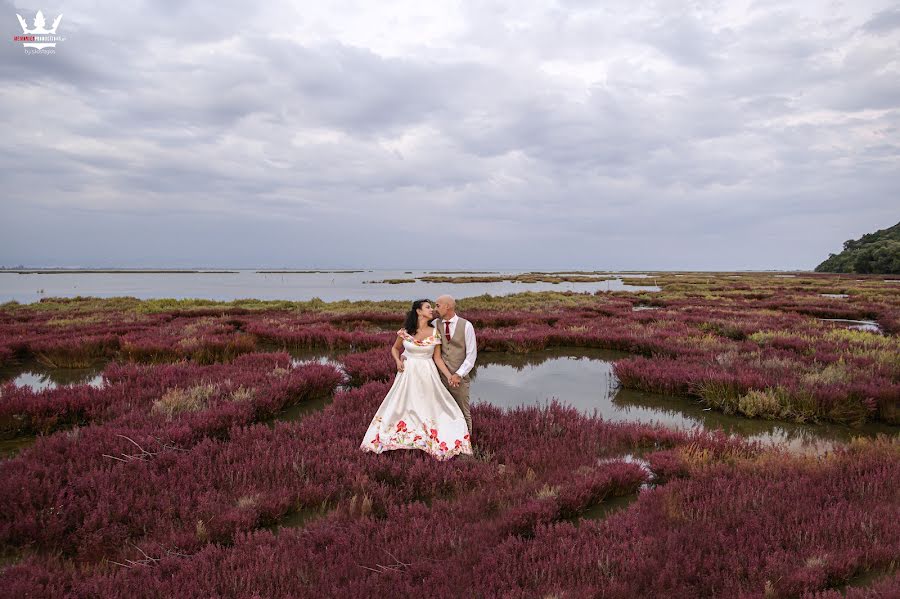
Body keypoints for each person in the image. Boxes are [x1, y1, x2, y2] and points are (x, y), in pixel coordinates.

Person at [359, 299, 473, 461]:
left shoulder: (435, 333)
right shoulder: (405, 331)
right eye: (427, 307)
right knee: (403, 405)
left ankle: (433, 436)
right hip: (407, 374)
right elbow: (394, 348)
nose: (432, 309)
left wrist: (450, 376)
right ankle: (401, 436)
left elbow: (438, 359)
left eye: (432, 307)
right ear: (418, 311)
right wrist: (398, 361)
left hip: (427, 374)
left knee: (429, 406)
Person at [431, 294, 477, 439]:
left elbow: (471, 355)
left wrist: (458, 374)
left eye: (437, 305)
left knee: (463, 412)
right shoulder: (434, 324)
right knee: (440, 411)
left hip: (460, 380)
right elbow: (421, 342)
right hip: (439, 377)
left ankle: (467, 444)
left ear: (448, 306)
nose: (434, 309)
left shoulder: (466, 325)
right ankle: (447, 440)